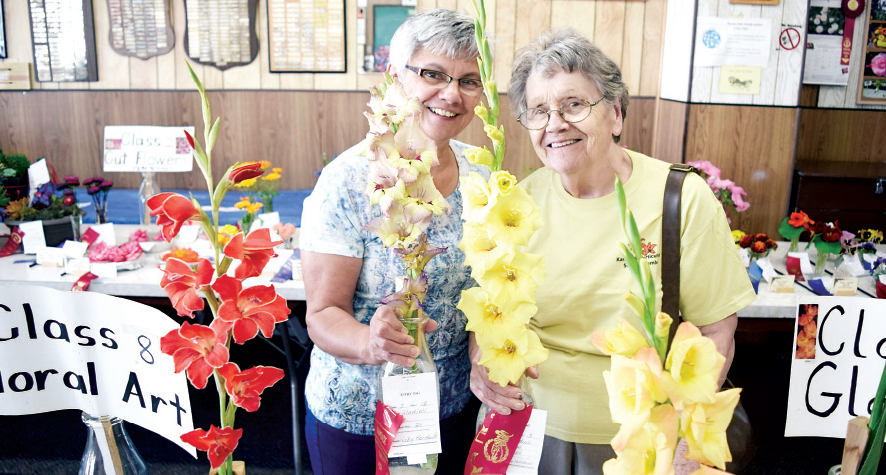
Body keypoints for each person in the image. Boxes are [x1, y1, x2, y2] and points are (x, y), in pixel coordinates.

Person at [468, 28, 757, 475]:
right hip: (531, 433)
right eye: (539, 112)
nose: (555, 124)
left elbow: (717, 331)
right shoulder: (515, 207)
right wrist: (480, 367)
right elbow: (489, 315)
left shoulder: (681, 198)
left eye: (574, 105)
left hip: (646, 441)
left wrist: (681, 435)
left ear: (616, 114)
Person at [299, 9, 490, 475]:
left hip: (453, 413)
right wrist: (372, 343)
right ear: (393, 75)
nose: (451, 94)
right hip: (359, 419)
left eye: (469, 81)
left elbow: (487, 294)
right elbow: (322, 316)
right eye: (432, 74)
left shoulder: (483, 176)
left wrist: (489, 349)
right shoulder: (347, 181)